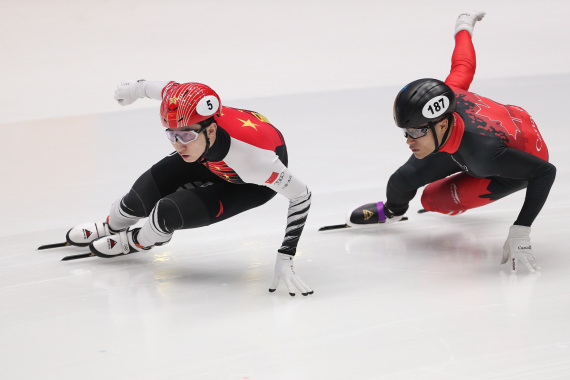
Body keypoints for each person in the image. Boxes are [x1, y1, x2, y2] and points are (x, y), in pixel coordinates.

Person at [347, 11, 556, 273]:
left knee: (433, 200)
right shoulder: (449, 97)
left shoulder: (484, 155)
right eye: (406, 132)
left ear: (442, 123)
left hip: (516, 159)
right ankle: (392, 212)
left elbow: (545, 172)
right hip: (469, 138)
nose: (409, 141)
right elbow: (463, 63)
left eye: (415, 132)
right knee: (400, 181)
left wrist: (521, 231)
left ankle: (457, 204)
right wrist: (464, 26)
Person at [65, 80, 313, 296]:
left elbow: (301, 196)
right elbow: (163, 89)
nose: (177, 145)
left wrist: (286, 256)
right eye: (171, 135)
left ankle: (137, 241)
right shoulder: (186, 110)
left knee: (166, 213)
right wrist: (135, 89)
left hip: (248, 184)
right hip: (208, 156)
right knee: (138, 199)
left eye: (185, 136)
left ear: (212, 129)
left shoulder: (257, 161)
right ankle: (111, 226)